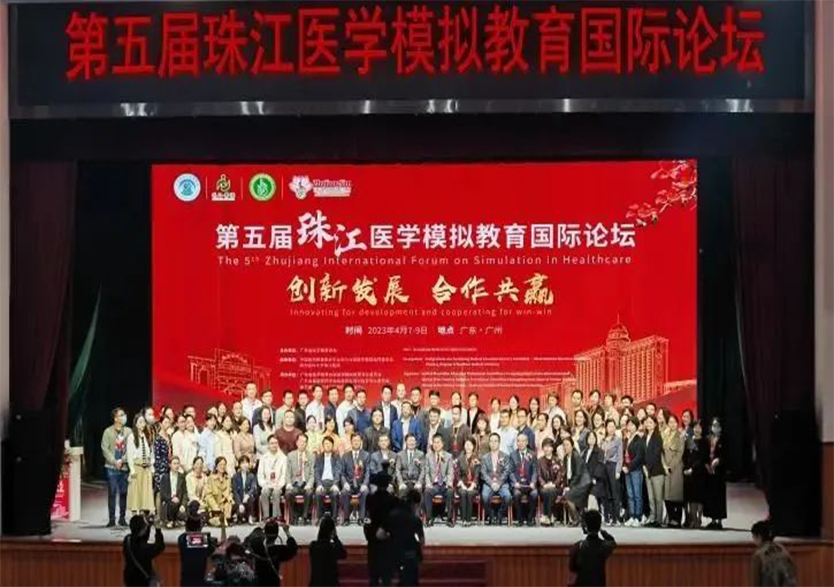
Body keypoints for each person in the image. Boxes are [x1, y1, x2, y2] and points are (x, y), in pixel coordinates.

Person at [364, 469, 399, 587]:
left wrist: (368, 535)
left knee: (373, 577)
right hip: (387, 540)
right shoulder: (393, 500)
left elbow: (367, 519)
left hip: (373, 539)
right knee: (387, 578)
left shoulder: (370, 498)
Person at [385, 490, 424, 587]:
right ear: (414, 504)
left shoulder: (392, 515)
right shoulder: (415, 520)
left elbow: (380, 534)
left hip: (394, 551)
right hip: (410, 553)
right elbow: (422, 541)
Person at [567, 510, 616, 587]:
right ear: (599, 526)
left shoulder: (578, 547)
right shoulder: (605, 546)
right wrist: (602, 531)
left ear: (585, 527)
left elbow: (572, 568)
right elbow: (612, 541)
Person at [102, 407, 132, 527]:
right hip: (111, 467)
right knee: (112, 493)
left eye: (124, 414)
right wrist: (115, 462)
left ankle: (122, 518)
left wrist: (122, 460)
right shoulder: (107, 432)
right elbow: (105, 449)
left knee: (124, 493)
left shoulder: (128, 431)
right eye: (121, 415)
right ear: (115, 418)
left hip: (124, 467)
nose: (124, 417)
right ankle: (111, 519)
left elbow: (131, 448)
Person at [248, 519, 298, 587]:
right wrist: (287, 532)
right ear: (277, 535)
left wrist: (259, 528)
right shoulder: (279, 550)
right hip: (274, 583)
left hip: (259, 583)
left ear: (265, 533)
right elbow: (293, 548)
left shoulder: (257, 546)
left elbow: (247, 541)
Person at [751, 520, 797, 586]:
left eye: (753, 536)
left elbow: (756, 583)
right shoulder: (782, 549)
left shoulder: (759, 555)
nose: (753, 540)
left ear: (759, 536)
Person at [123, 514, 165, 587]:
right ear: (142, 530)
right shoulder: (144, 548)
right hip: (142, 581)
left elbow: (141, 538)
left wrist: (148, 526)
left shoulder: (127, 539)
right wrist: (158, 528)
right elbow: (160, 546)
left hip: (129, 579)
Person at [178, 514, 218, 587]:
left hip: (187, 582)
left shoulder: (183, 539)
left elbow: (184, 536)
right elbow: (213, 550)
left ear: (186, 528)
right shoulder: (205, 540)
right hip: (201, 581)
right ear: (199, 528)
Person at [423, 433, 454, 527]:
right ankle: (429, 518)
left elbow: (450, 472)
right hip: (434, 484)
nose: (436, 445)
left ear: (442, 444)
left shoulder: (448, 456)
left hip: (444, 484)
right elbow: (426, 472)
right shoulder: (428, 456)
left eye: (438, 442)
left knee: (450, 492)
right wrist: (428, 483)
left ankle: (449, 519)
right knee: (427, 492)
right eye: (434, 442)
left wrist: (449, 483)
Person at [128, 414, 156, 516]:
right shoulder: (132, 437)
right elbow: (130, 455)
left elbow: (151, 454)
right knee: (136, 494)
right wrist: (132, 470)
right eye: (140, 422)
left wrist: (151, 467)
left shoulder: (147, 436)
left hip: (146, 469)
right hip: (137, 467)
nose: (142, 424)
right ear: (135, 424)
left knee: (145, 495)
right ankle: (135, 517)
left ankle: (143, 517)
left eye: (143, 422)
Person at [480, 433, 511, 525]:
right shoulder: (484, 457)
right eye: (491, 441)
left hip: (502, 484)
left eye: (495, 441)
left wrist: (499, 483)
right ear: (489, 443)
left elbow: (506, 471)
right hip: (489, 484)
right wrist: (491, 483)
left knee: (508, 496)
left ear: (499, 443)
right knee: (484, 496)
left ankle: (500, 515)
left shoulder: (505, 456)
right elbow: (483, 473)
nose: (493, 443)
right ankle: (491, 515)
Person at [309, 515, 347, 587]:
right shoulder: (332, 548)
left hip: (316, 584)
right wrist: (335, 538)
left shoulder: (313, 546)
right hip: (331, 584)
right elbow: (343, 554)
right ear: (332, 531)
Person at [509, 432, 538, 526]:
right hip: (518, 484)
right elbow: (510, 471)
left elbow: (535, 471)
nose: (520, 443)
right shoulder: (512, 455)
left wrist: (533, 482)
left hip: (529, 484)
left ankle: (530, 518)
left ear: (527, 442)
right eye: (518, 441)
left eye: (523, 441)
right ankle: (520, 519)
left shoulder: (532, 454)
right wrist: (515, 482)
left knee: (534, 494)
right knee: (516, 494)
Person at [341, 433, 370, 525]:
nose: (356, 442)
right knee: (344, 492)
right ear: (351, 442)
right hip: (349, 484)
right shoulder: (345, 456)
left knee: (365, 492)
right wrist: (345, 483)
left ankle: (361, 518)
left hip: (361, 484)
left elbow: (368, 472)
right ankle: (346, 518)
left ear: (361, 442)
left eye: (358, 440)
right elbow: (342, 473)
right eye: (354, 441)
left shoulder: (366, 455)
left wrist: (365, 484)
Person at [285, 433, 314, 525]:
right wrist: (288, 483)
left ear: (306, 444)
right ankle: (294, 517)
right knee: (288, 493)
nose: (302, 443)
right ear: (296, 442)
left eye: (304, 442)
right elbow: (288, 472)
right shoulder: (290, 455)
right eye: (300, 441)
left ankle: (305, 517)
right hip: (295, 484)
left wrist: (309, 484)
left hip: (306, 483)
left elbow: (312, 473)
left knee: (309, 493)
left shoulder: (311, 456)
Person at [683, 420, 707, 528]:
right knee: (691, 498)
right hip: (689, 474)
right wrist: (686, 468)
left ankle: (699, 518)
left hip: (700, 473)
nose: (697, 429)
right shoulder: (689, 441)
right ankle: (694, 519)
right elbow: (685, 456)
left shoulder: (704, 442)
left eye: (699, 427)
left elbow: (703, 458)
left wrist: (693, 469)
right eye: (695, 427)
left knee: (699, 498)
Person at [662, 414, 685, 527]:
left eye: (674, 422)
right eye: (670, 422)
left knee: (677, 495)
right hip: (665, 468)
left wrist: (671, 466)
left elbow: (680, 453)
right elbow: (661, 452)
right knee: (667, 495)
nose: (672, 424)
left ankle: (677, 519)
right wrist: (664, 466)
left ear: (677, 423)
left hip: (676, 468)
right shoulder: (664, 435)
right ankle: (670, 518)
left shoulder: (680, 436)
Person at [622, 417, 646, 527]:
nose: (630, 427)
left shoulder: (639, 439)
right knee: (630, 495)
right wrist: (624, 466)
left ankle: (638, 517)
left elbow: (639, 457)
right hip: (627, 470)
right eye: (628, 425)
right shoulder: (627, 439)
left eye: (632, 425)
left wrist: (629, 467)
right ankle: (632, 516)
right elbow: (624, 454)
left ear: (636, 426)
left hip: (636, 470)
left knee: (637, 495)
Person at [704, 417, 727, 529]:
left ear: (721, 427)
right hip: (709, 471)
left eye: (717, 426)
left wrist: (719, 460)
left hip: (719, 472)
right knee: (710, 495)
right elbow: (704, 453)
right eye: (714, 426)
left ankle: (719, 521)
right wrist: (707, 464)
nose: (715, 428)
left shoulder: (724, 439)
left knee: (719, 496)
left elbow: (727, 455)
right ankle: (713, 520)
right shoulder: (708, 438)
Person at [643, 415, 665, 528]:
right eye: (647, 422)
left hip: (656, 471)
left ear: (655, 424)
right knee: (650, 497)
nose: (648, 424)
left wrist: (648, 468)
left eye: (651, 422)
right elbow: (642, 454)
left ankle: (658, 519)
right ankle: (652, 517)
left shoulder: (657, 437)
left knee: (658, 497)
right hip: (647, 471)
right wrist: (644, 467)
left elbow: (656, 454)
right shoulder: (644, 437)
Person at [258, 435, 287, 521]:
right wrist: (265, 484)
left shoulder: (283, 458)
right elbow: (260, 475)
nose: (274, 445)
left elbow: (284, 475)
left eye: (276, 443)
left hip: (278, 485)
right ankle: (266, 517)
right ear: (268, 445)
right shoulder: (263, 458)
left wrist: (279, 485)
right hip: (267, 484)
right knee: (264, 491)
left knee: (276, 492)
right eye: (272, 443)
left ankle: (275, 517)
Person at [537, 438, 564, 526]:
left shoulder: (557, 460)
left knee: (551, 491)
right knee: (547, 491)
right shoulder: (539, 461)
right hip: (543, 487)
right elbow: (538, 475)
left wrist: (554, 484)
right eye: (545, 447)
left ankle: (546, 516)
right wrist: (544, 484)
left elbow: (560, 475)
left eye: (549, 447)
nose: (547, 449)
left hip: (555, 486)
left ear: (552, 448)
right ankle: (551, 515)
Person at [601, 419, 623, 526]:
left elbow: (620, 457)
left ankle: (616, 518)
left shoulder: (618, 440)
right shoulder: (603, 440)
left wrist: (618, 470)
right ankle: (607, 517)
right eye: (609, 426)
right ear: (606, 428)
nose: (611, 429)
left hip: (613, 466)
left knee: (615, 493)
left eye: (613, 426)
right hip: (604, 467)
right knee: (606, 493)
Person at [315, 437, 343, 519]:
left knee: (335, 494)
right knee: (318, 494)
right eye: (326, 444)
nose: (327, 446)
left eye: (329, 444)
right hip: (322, 483)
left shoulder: (336, 457)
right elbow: (316, 472)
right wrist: (319, 484)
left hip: (332, 482)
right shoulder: (319, 457)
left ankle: (334, 518)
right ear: (323, 445)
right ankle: (320, 518)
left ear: (332, 445)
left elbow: (338, 471)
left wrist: (335, 484)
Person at [582, 429, 608, 516]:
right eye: (590, 438)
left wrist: (594, 477)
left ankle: (595, 515)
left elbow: (601, 466)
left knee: (592, 496)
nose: (591, 440)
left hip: (597, 481)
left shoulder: (600, 451)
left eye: (593, 438)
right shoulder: (585, 452)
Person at [456, 438, 480, 526]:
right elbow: (457, 473)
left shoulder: (477, 458)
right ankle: (463, 519)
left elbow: (477, 474)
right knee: (463, 493)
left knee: (469, 493)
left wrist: (472, 486)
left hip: (473, 485)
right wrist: (462, 484)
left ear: (473, 446)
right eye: (466, 445)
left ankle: (468, 519)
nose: (468, 447)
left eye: (470, 445)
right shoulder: (460, 458)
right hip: (463, 484)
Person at [160, 455, 188, 528]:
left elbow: (185, 493)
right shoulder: (165, 477)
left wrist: (183, 504)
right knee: (172, 505)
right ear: (170, 465)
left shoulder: (182, 477)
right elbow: (163, 493)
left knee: (186, 513)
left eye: (178, 463)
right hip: (168, 502)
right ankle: (171, 520)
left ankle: (176, 520)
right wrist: (171, 498)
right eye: (174, 464)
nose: (176, 466)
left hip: (179, 502)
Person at [206, 456, 234, 527]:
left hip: (225, 505)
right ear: (216, 467)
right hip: (215, 506)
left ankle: (226, 519)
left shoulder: (228, 478)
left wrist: (230, 498)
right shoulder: (211, 479)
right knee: (217, 520)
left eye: (224, 465)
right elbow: (209, 496)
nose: (222, 467)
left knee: (229, 504)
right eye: (220, 465)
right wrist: (215, 507)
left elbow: (230, 491)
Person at [395, 434, 424, 500]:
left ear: (416, 442)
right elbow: (397, 470)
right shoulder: (400, 454)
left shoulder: (420, 454)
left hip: (415, 481)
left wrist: (419, 482)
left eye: (413, 440)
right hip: (404, 481)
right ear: (406, 442)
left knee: (418, 491)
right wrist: (401, 483)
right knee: (402, 492)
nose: (411, 443)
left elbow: (423, 470)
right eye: (409, 441)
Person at [232, 455, 258, 524]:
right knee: (240, 515)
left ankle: (250, 516)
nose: (245, 465)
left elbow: (253, 488)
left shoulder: (251, 476)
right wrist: (240, 504)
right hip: (239, 499)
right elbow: (235, 492)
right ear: (239, 465)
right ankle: (239, 515)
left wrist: (247, 495)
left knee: (251, 497)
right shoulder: (235, 476)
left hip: (248, 499)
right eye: (243, 463)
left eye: (246, 463)